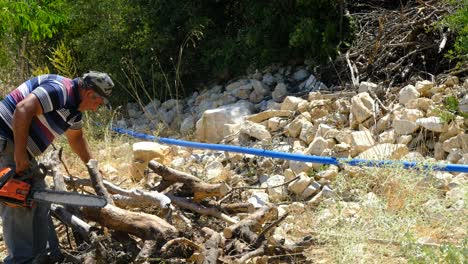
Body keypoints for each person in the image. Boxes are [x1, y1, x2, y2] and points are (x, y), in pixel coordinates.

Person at [0, 71, 114, 263]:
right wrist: (19, 154)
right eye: (98, 103)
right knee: (17, 199)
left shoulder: (74, 111)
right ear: (89, 94)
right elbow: (22, 109)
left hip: (20, 149)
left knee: (39, 199)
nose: (97, 108)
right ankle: (21, 260)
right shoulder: (60, 90)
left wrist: (92, 166)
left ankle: (46, 256)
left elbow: (76, 139)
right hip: (5, 141)